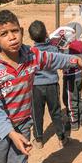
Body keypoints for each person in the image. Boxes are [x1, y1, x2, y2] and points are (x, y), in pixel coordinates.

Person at [0, 10, 82, 163]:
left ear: (22, 32)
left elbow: (52, 58)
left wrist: (74, 60)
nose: (12, 37)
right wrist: (10, 133)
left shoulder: (31, 55)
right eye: (4, 33)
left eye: (15, 31)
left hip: (22, 123)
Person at [28, 20, 69, 150]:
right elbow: (63, 61)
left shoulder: (31, 52)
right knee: (56, 112)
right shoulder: (53, 48)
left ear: (30, 37)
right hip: (52, 84)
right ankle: (61, 138)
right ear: (46, 33)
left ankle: (39, 140)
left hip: (36, 87)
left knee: (36, 113)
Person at [62, 22, 82, 131]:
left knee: (70, 100)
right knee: (78, 98)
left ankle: (73, 122)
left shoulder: (69, 46)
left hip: (70, 76)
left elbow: (63, 59)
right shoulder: (81, 44)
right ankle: (79, 119)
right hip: (79, 75)